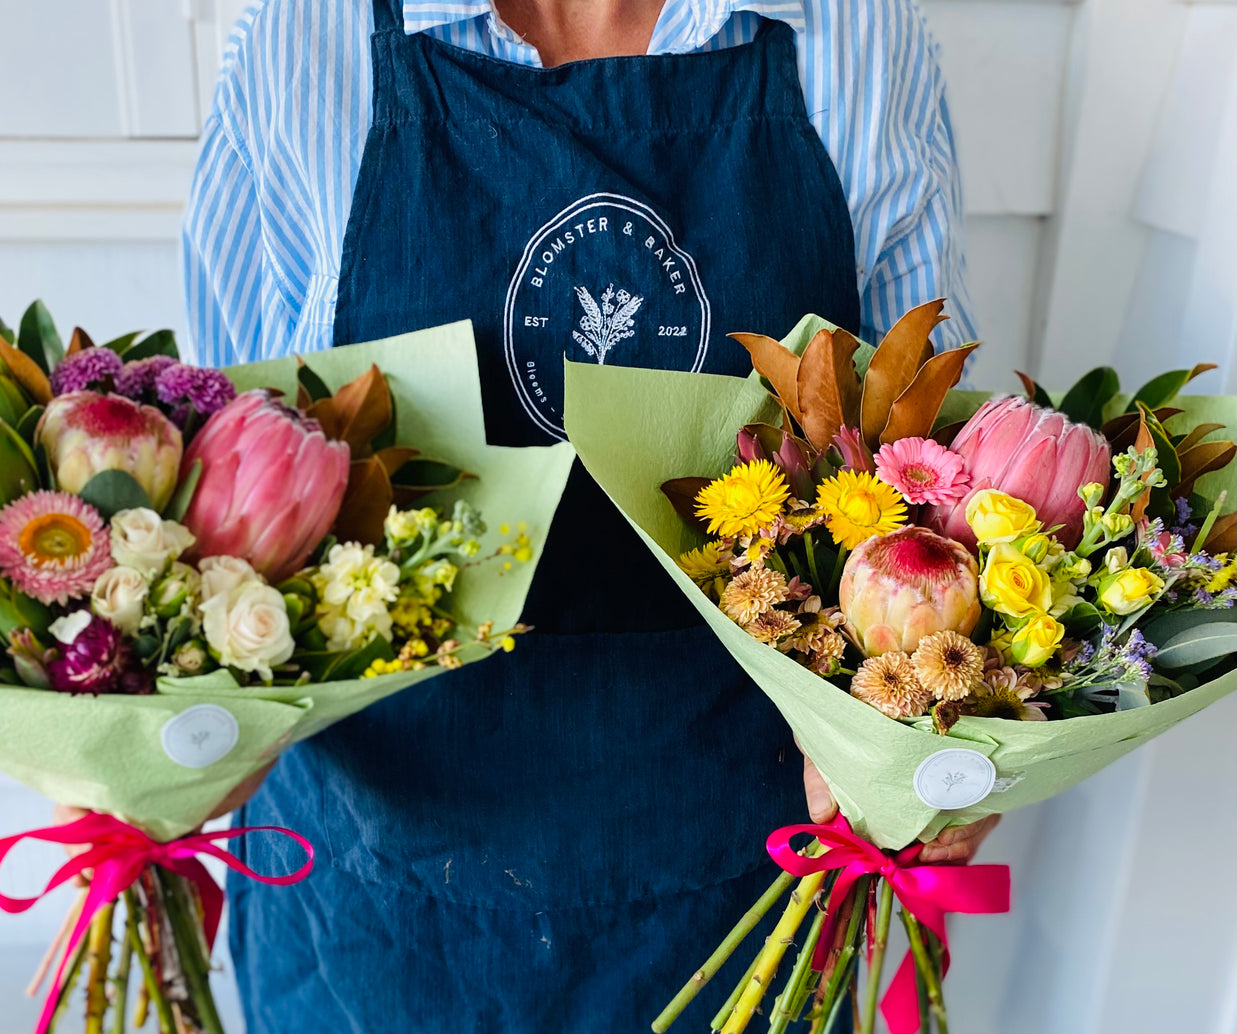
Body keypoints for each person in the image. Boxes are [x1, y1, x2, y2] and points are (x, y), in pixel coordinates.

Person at [173, 1, 999, 1029]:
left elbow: (930, 471)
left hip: (747, 866)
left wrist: (933, 734)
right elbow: (234, 475)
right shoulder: (305, 32)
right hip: (383, 891)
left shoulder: (856, 32)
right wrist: (175, 727)